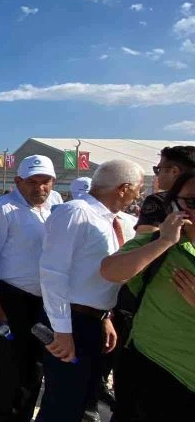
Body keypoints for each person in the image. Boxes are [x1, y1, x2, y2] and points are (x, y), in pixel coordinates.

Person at [36, 159, 145, 422]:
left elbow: (91, 278)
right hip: (70, 322)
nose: (139, 195)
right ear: (123, 188)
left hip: (93, 322)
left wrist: (104, 317)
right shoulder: (76, 212)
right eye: (138, 188)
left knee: (80, 400)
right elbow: (53, 274)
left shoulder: (113, 220)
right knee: (61, 405)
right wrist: (62, 331)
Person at [101, 171, 195, 421]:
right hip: (151, 370)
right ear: (176, 205)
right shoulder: (158, 244)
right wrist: (163, 241)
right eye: (192, 202)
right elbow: (111, 271)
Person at [0, 154, 57, 422]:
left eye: (45, 182)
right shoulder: (1, 209)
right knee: (5, 372)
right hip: (10, 299)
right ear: (19, 181)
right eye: (33, 182)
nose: (40, 188)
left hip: (43, 303)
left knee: (34, 370)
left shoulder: (54, 205)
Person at [135, 145, 195, 234]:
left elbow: (145, 241)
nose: (157, 174)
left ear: (174, 171)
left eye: (158, 169)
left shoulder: (158, 201)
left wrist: (165, 241)